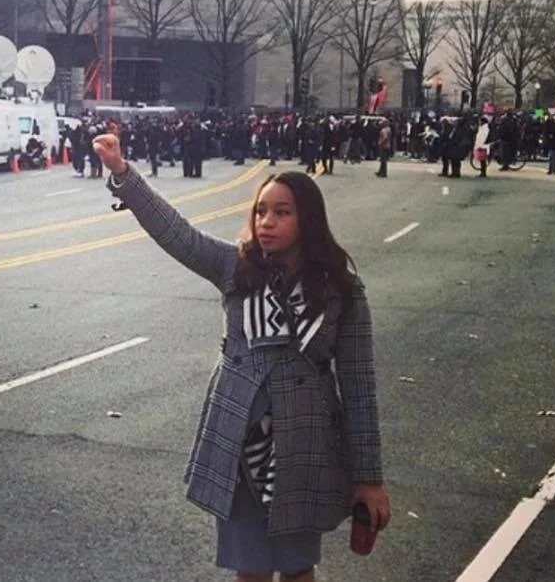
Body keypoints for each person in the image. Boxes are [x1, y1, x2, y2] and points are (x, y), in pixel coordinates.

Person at [93, 133, 391, 582]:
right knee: (248, 567)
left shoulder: (340, 290)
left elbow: (359, 386)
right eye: (261, 211)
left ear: (307, 220)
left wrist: (369, 478)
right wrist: (123, 174)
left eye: (282, 212)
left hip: (303, 446)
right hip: (238, 438)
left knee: (296, 569)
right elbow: (178, 234)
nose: (266, 222)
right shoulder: (235, 267)